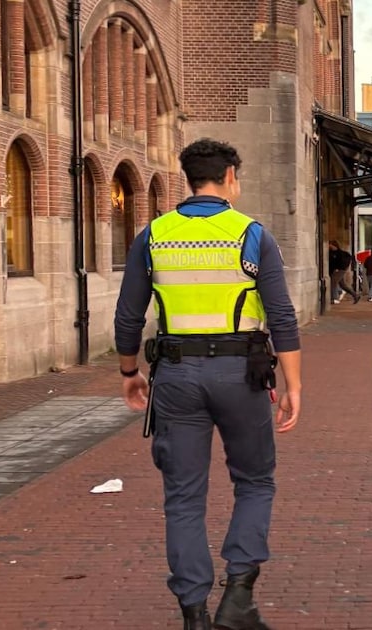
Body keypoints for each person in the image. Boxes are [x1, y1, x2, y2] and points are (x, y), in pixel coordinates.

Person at [114, 138, 303, 630]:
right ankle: (238, 593)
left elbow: (129, 314)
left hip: (176, 374)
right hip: (241, 373)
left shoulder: (153, 236)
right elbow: (281, 315)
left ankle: (193, 612)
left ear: (189, 178)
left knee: (183, 495)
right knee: (255, 479)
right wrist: (293, 384)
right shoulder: (252, 235)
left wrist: (129, 372)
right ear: (230, 178)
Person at [329, 240, 360, 305]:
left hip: (339, 270)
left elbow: (343, 262)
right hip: (334, 271)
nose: (329, 246)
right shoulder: (331, 252)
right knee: (343, 285)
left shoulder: (340, 253)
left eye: (330, 244)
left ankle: (335, 298)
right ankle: (355, 295)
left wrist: (339, 268)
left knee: (333, 282)